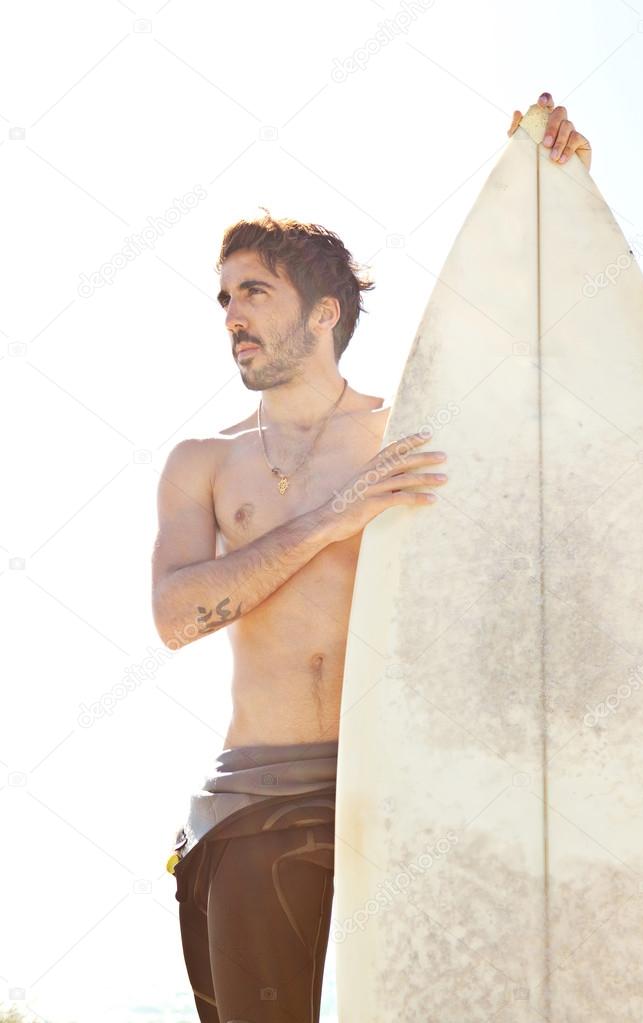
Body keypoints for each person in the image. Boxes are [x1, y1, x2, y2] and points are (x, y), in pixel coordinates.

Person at [151, 92, 590, 1023]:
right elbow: (174, 616)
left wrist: (556, 188)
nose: (231, 313)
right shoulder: (204, 463)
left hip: (399, 783)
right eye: (224, 296)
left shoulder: (413, 441)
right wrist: (326, 523)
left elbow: (545, 380)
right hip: (256, 800)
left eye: (253, 292)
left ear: (323, 313)